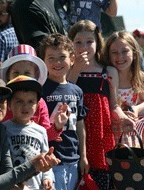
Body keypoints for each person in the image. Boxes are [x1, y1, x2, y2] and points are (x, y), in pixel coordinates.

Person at [67, 20, 134, 189]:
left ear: (97, 42)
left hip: (102, 134)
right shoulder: (68, 69)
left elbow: (114, 105)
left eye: (89, 41)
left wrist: (124, 117)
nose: (84, 46)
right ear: (71, 44)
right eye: (78, 42)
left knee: (102, 180)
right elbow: (66, 94)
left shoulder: (108, 71)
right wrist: (75, 70)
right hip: (77, 132)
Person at [39, 33, 88, 189]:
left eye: (62, 57)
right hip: (51, 159)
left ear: (72, 59)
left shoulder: (77, 91)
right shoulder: (40, 90)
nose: (57, 62)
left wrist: (83, 156)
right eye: (51, 58)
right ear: (43, 61)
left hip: (73, 158)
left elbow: (80, 125)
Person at [0, 44, 67, 141]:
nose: (21, 77)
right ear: (8, 76)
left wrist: (57, 127)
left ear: (36, 75)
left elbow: (45, 136)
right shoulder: (2, 101)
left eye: (27, 73)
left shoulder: (39, 102)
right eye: (16, 73)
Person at [4, 75, 54, 189]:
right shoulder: (3, 129)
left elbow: (46, 159)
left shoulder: (40, 131)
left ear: (37, 106)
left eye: (31, 101)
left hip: (36, 186)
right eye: (19, 101)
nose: (25, 106)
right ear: (9, 105)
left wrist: (47, 178)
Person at [103, 30, 144, 145]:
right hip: (110, 130)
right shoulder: (107, 76)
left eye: (125, 51)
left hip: (131, 131)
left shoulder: (140, 76)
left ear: (134, 53)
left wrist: (137, 109)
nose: (120, 57)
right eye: (114, 52)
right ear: (108, 54)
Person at [0, 0, 19, 76]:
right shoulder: (22, 32)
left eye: (1, 14)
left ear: (10, 15)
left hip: (4, 84)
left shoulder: (1, 37)